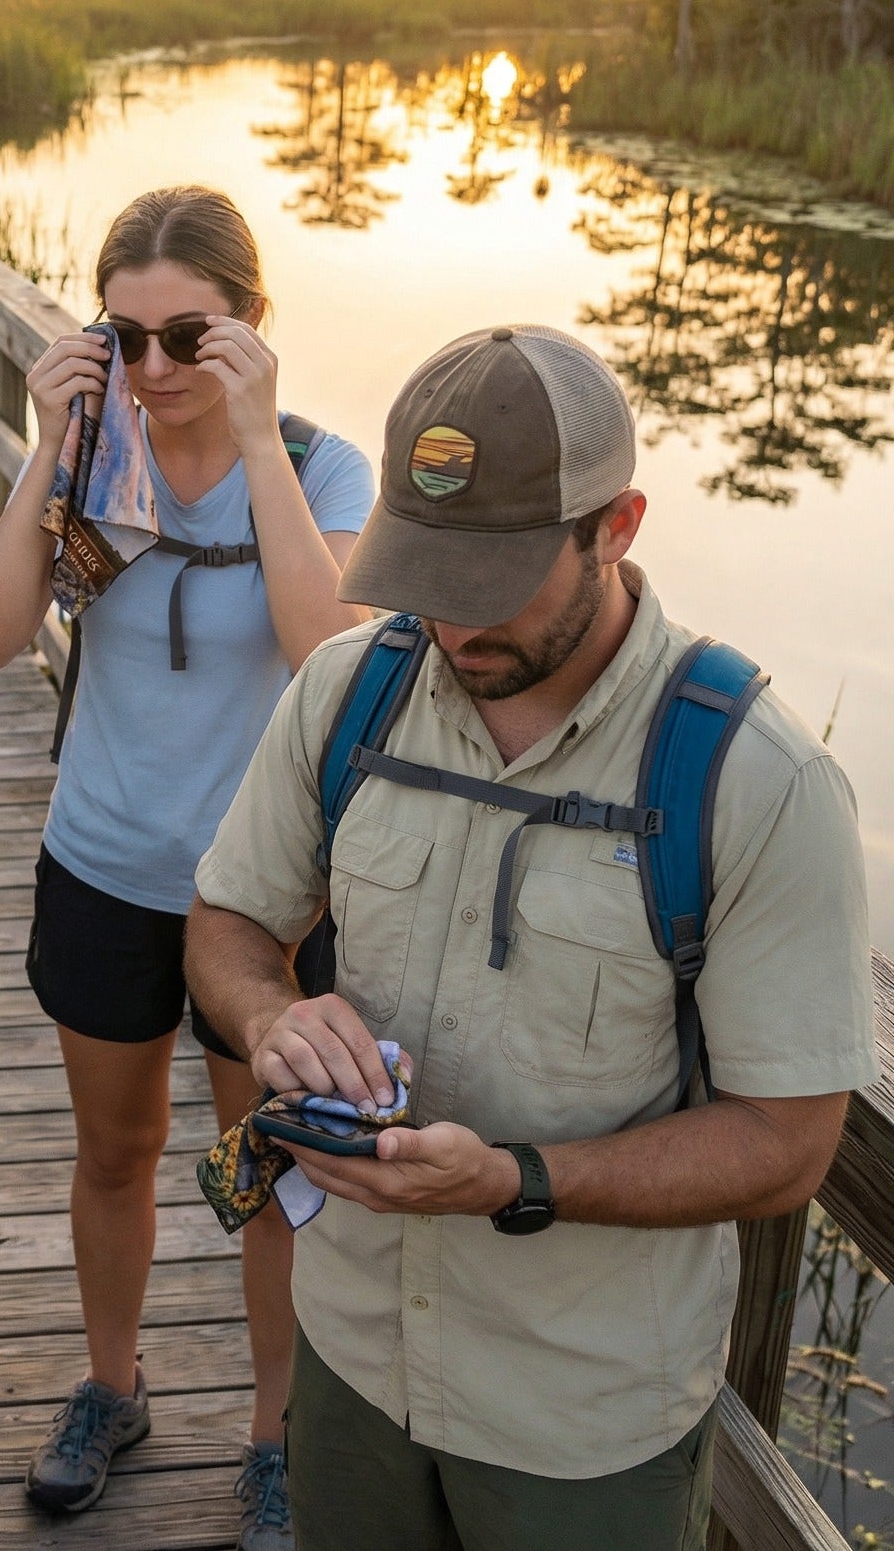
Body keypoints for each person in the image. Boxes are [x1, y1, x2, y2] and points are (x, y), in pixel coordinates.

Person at [186, 323, 877, 1551]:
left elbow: (786, 1143)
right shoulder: (346, 691)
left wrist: (518, 1180)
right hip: (343, 1353)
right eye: (423, 573)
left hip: (582, 1420)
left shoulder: (758, 781)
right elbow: (231, 919)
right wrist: (269, 1012)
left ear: (615, 526)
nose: (451, 626)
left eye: (492, 581)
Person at [0, 186, 372, 1537]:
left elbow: (333, 655)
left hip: (267, 896)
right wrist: (43, 446)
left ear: (250, 327)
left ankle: (275, 1433)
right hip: (105, 860)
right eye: (122, 337)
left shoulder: (321, 470)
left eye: (186, 337)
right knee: (115, 1150)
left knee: (266, 1163)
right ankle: (112, 1384)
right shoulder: (94, 456)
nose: (152, 370)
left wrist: (252, 439)